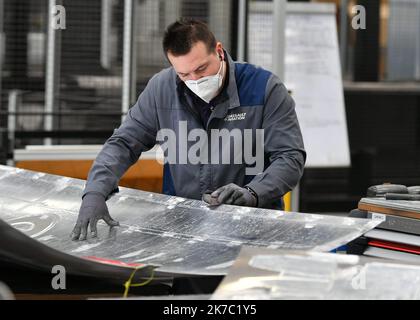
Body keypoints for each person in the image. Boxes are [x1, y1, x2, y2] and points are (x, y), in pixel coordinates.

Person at [71, 18, 306, 241]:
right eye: (184, 74)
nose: (195, 80)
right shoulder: (161, 89)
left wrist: (253, 193)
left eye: (202, 69)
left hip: (254, 230)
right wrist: (95, 191)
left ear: (219, 51)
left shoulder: (264, 88)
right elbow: (123, 143)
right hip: (184, 230)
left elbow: (290, 157)